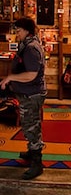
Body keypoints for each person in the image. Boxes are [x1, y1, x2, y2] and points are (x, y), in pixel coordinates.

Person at [2, 17, 46, 179]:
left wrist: (11, 78)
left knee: (31, 126)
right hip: (29, 93)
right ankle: (31, 151)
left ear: (26, 31)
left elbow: (31, 75)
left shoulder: (31, 49)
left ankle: (37, 163)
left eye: (18, 31)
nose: (17, 34)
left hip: (31, 94)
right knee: (31, 124)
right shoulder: (28, 45)